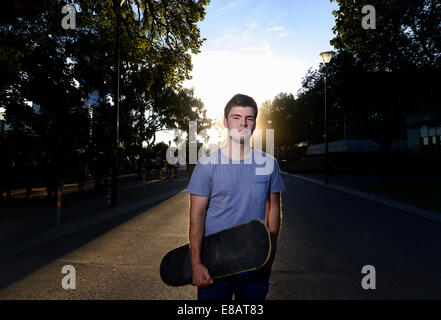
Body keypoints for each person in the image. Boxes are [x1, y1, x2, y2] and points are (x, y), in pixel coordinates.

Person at [186, 93, 285, 301]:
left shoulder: (269, 164)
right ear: (225, 122)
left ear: (255, 124)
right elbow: (197, 217)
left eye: (249, 118)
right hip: (215, 265)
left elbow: (273, 208)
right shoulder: (207, 165)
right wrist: (196, 263)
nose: (243, 123)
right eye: (236, 117)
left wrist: (271, 252)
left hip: (256, 264)